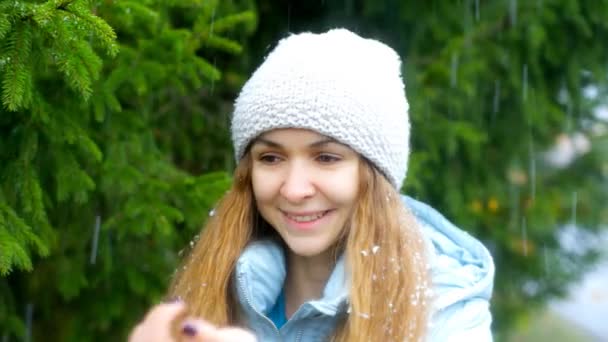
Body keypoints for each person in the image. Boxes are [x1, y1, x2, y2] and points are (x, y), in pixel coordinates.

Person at [128, 28, 495, 342]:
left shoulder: (445, 309)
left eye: (326, 158)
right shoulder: (220, 283)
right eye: (271, 158)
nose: (294, 189)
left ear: (374, 176)